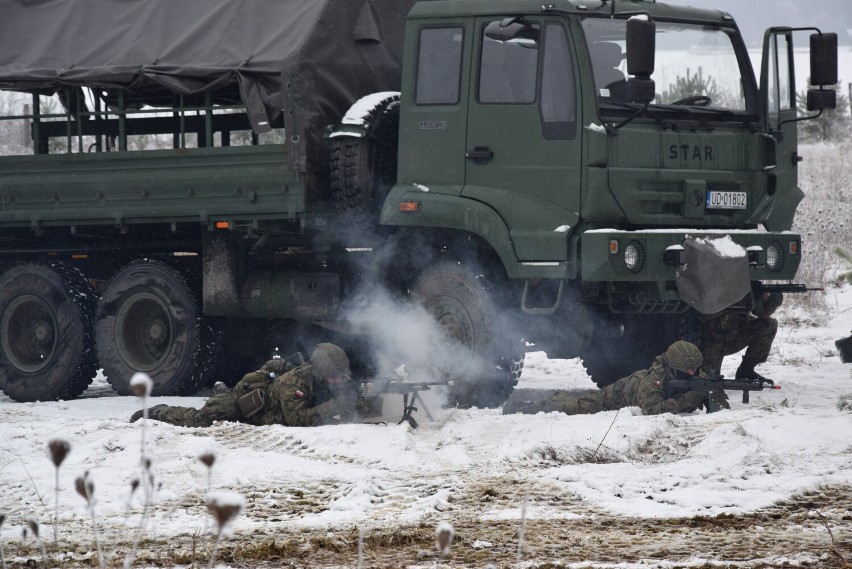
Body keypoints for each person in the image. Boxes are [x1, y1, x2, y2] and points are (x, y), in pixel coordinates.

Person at [130, 343, 357, 427]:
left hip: (270, 406)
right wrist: (337, 405)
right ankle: (159, 411)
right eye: (334, 377)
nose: (339, 381)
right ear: (320, 372)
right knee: (201, 419)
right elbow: (298, 420)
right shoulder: (293, 383)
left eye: (340, 376)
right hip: (244, 404)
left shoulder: (332, 376)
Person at [503, 341, 728, 416]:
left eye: (694, 370)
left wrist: (713, 394)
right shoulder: (655, 379)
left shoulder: (691, 373)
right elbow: (651, 410)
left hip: (636, 385)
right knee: (583, 404)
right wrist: (689, 400)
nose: (693, 374)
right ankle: (530, 407)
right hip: (620, 394)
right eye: (688, 370)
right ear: (675, 367)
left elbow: (708, 387)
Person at [698, 292, 783, 381]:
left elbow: (762, 312)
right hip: (707, 339)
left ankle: (746, 370)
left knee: (768, 325)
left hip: (734, 334)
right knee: (706, 381)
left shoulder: (743, 283)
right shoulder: (709, 281)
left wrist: (773, 301)